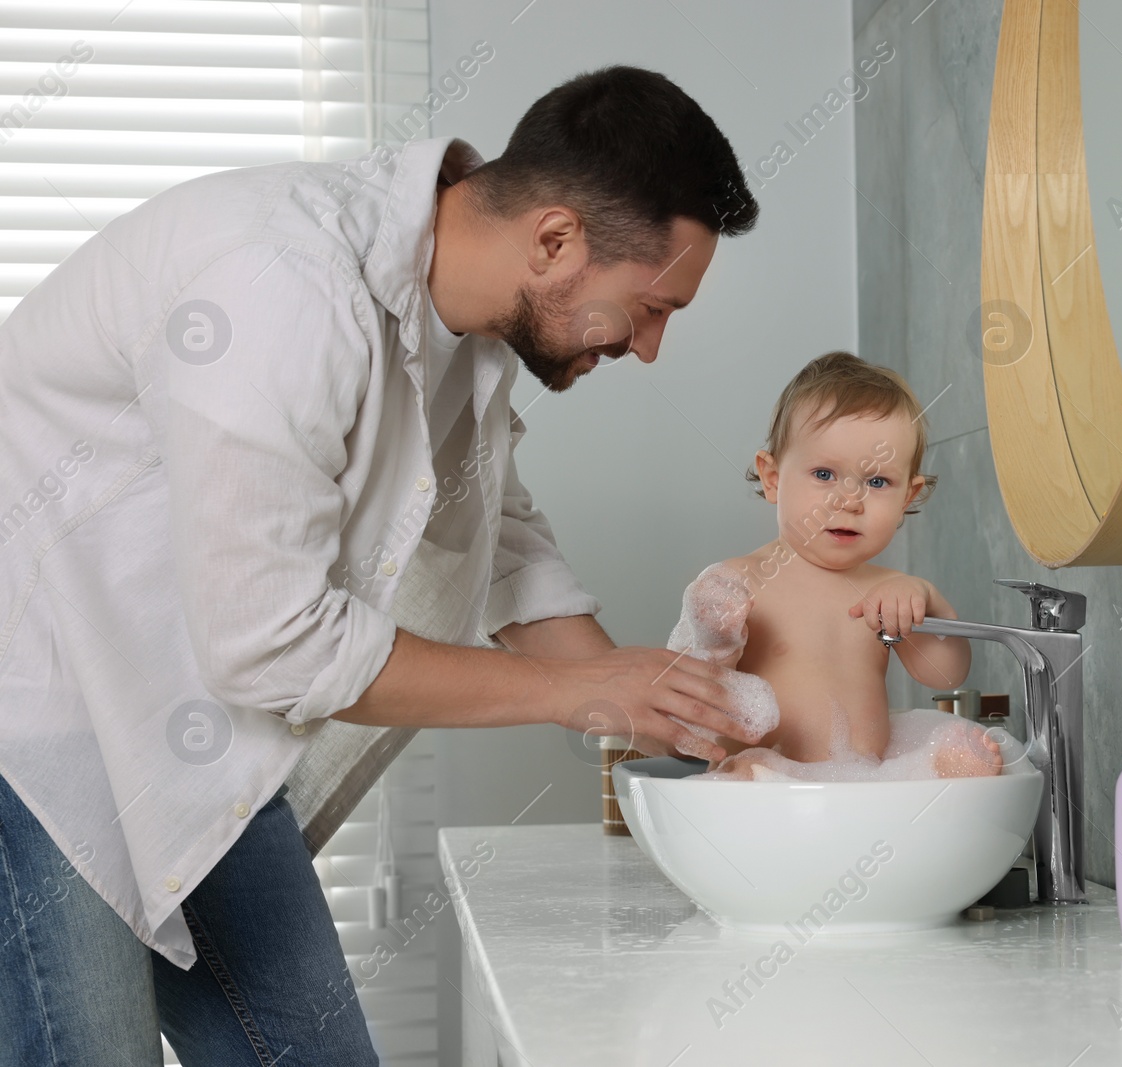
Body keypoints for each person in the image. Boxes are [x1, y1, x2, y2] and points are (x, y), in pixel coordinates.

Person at [0, 65, 762, 1064]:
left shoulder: (468, 332)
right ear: (554, 239)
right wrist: (573, 691)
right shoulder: (283, 289)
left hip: (183, 729)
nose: (651, 347)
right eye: (651, 307)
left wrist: (665, 703)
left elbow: (505, 549)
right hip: (37, 726)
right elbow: (272, 646)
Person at [664, 352, 1004, 781]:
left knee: (962, 762)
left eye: (877, 482)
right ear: (772, 479)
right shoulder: (741, 582)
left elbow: (942, 674)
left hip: (864, 783)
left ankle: (941, 770)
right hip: (766, 783)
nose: (849, 501)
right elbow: (690, 693)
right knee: (750, 772)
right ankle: (748, 776)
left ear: (908, 497)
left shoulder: (889, 590)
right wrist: (715, 635)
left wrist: (928, 601)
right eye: (824, 474)